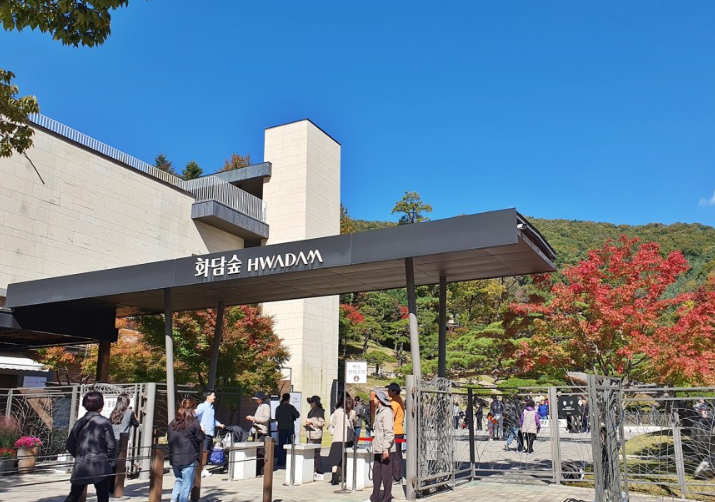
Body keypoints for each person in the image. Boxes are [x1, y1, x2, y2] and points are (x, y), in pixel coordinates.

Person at [64, 391, 116, 502]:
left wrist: (79, 455)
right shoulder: (104, 422)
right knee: (102, 496)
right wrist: (109, 460)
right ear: (101, 404)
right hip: (100, 463)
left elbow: (70, 444)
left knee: (74, 495)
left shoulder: (80, 422)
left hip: (81, 463)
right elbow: (111, 445)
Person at [167, 398, 204, 502]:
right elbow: (200, 438)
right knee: (187, 483)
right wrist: (202, 430)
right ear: (192, 409)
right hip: (188, 456)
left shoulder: (173, 422)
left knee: (179, 479)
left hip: (174, 456)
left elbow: (168, 437)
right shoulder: (194, 423)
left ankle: (173, 499)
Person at [363, 390, 394, 502]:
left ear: (379, 399)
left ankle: (386, 498)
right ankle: (374, 497)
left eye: (375, 398)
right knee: (376, 473)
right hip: (377, 447)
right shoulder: (378, 411)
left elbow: (389, 432)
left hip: (385, 448)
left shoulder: (387, 412)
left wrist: (386, 448)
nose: (373, 400)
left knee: (386, 475)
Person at [108, 393, 139, 493]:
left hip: (111, 440)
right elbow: (136, 424)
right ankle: (117, 487)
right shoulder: (130, 412)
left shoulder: (113, 412)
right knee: (120, 464)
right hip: (122, 441)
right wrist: (135, 417)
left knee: (112, 463)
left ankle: (110, 486)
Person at [195, 389, 225, 478]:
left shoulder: (212, 408)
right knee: (203, 452)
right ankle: (200, 470)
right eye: (213, 395)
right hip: (204, 433)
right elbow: (195, 414)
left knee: (206, 452)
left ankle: (202, 469)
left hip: (210, 433)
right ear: (208, 396)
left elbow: (212, 419)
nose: (214, 397)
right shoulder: (202, 406)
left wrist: (219, 424)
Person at [327, 396, 355, 485]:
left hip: (337, 438)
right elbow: (354, 422)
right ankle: (345, 476)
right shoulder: (352, 412)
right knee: (346, 458)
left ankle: (334, 478)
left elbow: (333, 423)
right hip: (348, 439)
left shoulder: (337, 412)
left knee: (335, 459)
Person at [386, 383, 405, 484]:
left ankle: (396, 476)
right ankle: (398, 475)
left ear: (394, 391)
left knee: (395, 455)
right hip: (399, 430)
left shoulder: (394, 402)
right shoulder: (399, 400)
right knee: (397, 454)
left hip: (395, 430)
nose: (388, 392)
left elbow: (390, 416)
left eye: (389, 390)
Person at [275, 393, 300, 468]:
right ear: (289, 399)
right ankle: (290, 460)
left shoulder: (278, 408)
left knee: (281, 445)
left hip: (281, 428)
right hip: (290, 428)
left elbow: (276, 418)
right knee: (290, 445)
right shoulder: (291, 407)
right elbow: (297, 415)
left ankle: (280, 461)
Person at [304, 395, 326, 478]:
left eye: (312, 402)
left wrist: (312, 422)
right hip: (309, 434)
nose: (310, 403)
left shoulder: (320, 411)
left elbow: (322, 423)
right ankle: (311, 469)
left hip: (316, 435)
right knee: (309, 453)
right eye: (310, 402)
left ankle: (319, 470)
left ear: (316, 402)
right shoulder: (310, 411)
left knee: (316, 453)